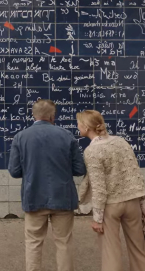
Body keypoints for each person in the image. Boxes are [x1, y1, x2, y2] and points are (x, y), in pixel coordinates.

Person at [8, 99, 86, 271]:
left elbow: (14, 171)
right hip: (63, 197)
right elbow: (80, 169)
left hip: (34, 196)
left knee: (33, 242)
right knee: (64, 242)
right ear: (52, 116)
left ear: (33, 115)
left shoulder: (20, 137)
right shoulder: (67, 136)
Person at [76, 110, 145, 271]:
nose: (77, 126)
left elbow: (98, 187)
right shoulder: (121, 142)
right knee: (139, 249)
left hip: (111, 206)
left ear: (86, 126)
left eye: (79, 123)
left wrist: (97, 218)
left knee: (111, 252)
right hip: (132, 201)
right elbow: (135, 174)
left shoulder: (92, 151)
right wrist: (142, 204)